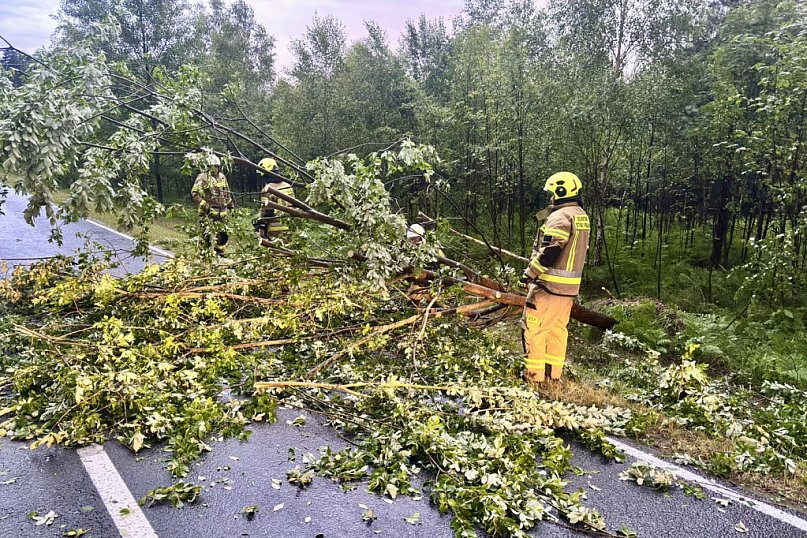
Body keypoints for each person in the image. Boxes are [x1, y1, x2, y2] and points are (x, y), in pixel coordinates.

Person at [520, 172, 590, 383]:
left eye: (552, 192)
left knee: (534, 331)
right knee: (557, 331)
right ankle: (553, 377)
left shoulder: (560, 217)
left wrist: (529, 274)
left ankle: (534, 378)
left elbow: (551, 251)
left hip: (548, 286)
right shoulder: (580, 215)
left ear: (561, 192)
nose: (550, 197)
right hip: (567, 290)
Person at [191, 155, 234, 255]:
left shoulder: (222, 177)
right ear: (208, 166)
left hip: (222, 213)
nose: (215, 169)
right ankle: (205, 256)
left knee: (223, 236)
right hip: (207, 214)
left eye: (217, 166)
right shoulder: (202, 178)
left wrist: (231, 206)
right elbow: (195, 193)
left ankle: (220, 255)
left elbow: (227, 192)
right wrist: (205, 205)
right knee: (206, 236)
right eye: (212, 166)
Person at [254, 157, 295, 242]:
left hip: (274, 228)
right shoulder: (288, 186)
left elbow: (266, 212)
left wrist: (260, 224)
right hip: (290, 226)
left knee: (275, 253)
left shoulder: (267, 189)